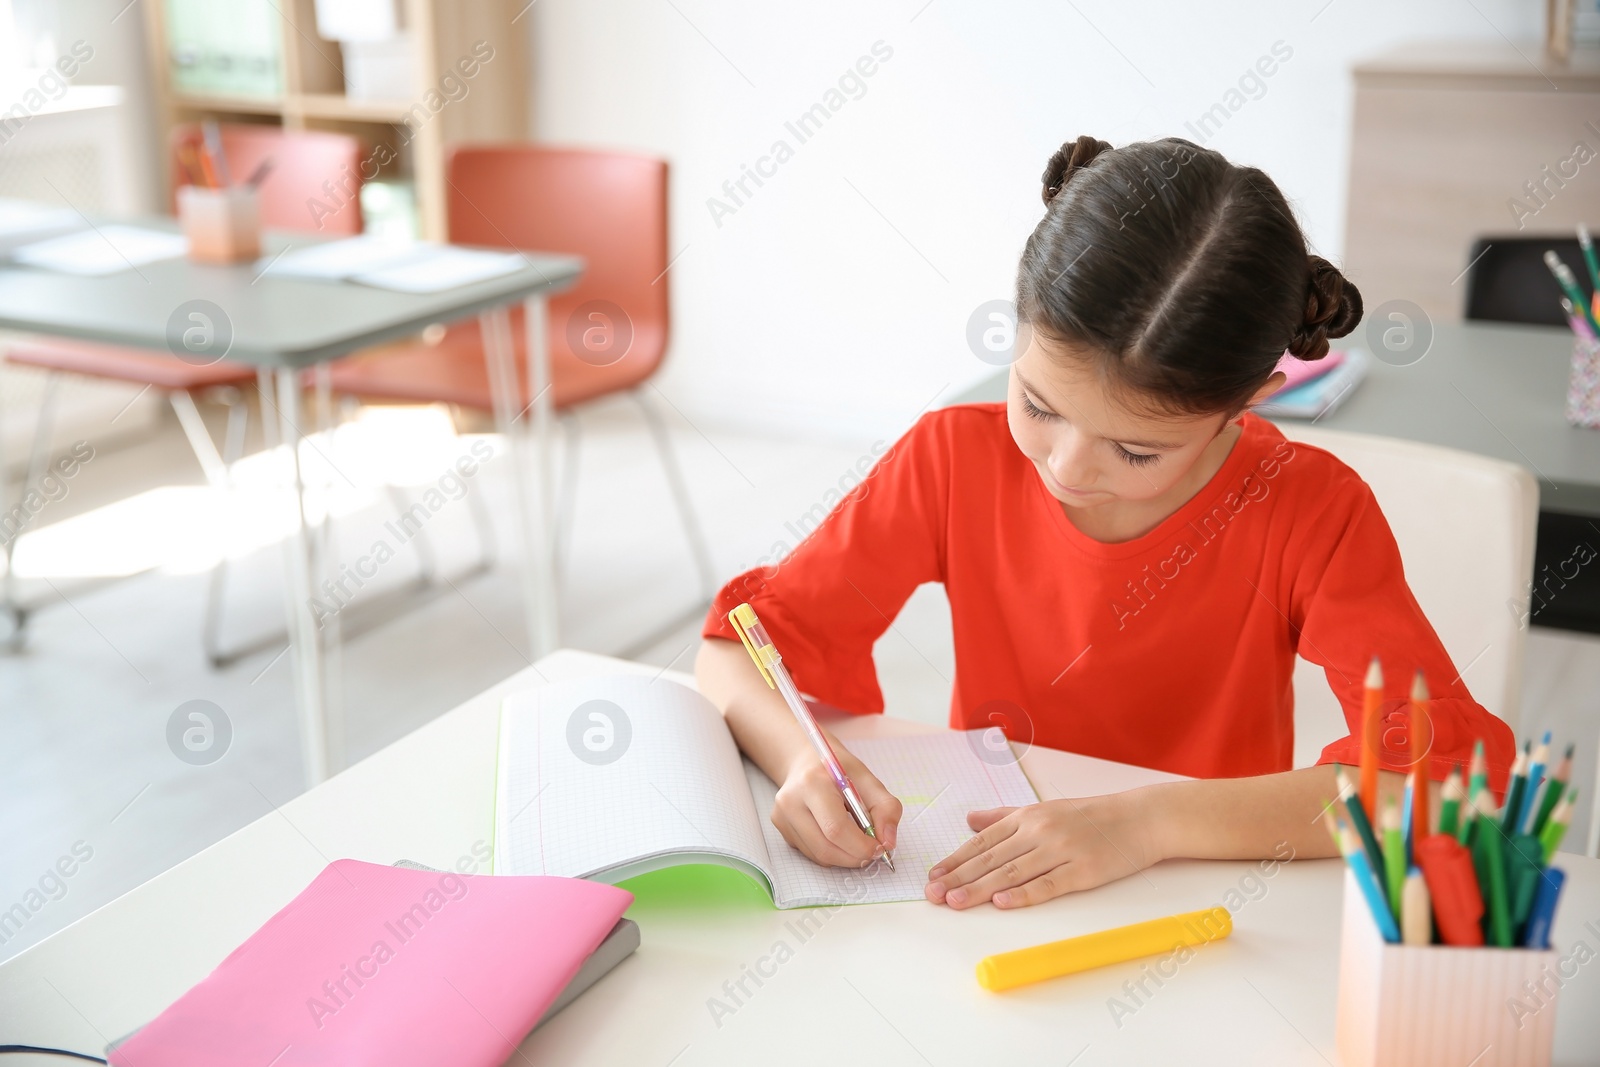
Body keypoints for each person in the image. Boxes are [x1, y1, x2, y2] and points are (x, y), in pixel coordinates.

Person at [695, 135, 1515, 910]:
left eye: (1133, 450)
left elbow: (1434, 783)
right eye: (1038, 405)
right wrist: (804, 757)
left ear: (1250, 400)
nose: (1066, 468)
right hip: (981, 877)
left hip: (1204, 892)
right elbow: (739, 648)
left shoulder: (1313, 510)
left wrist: (1146, 822)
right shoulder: (950, 458)